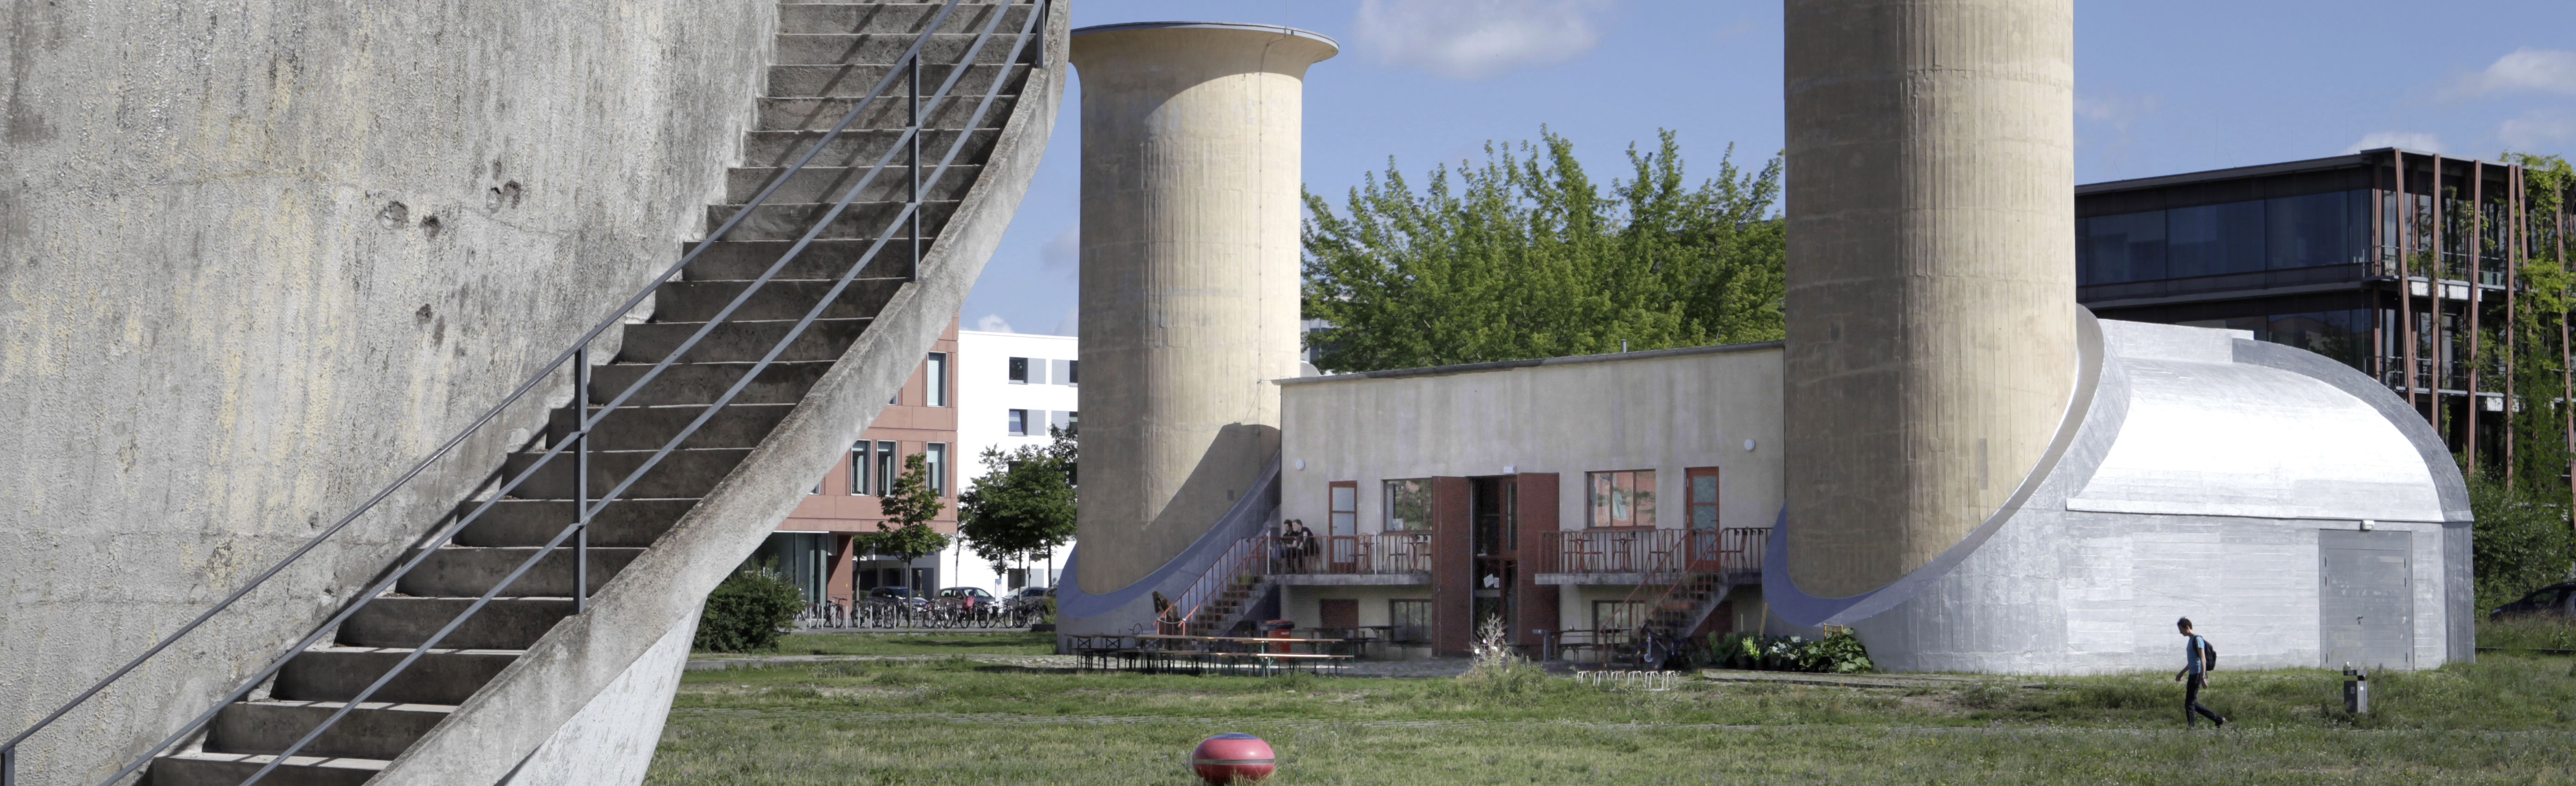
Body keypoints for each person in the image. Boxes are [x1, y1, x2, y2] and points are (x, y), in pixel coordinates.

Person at [2172, 617, 2226, 729]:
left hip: (2197, 675)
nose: (2180, 632)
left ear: (2187, 628)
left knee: (2189, 704)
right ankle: (2218, 719)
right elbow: (2193, 661)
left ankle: (2191, 728)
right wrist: (2181, 673)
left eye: (2181, 629)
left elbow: (2203, 659)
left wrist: (2203, 678)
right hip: (2193, 673)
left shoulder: (2198, 639)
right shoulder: (2191, 640)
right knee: (2193, 704)